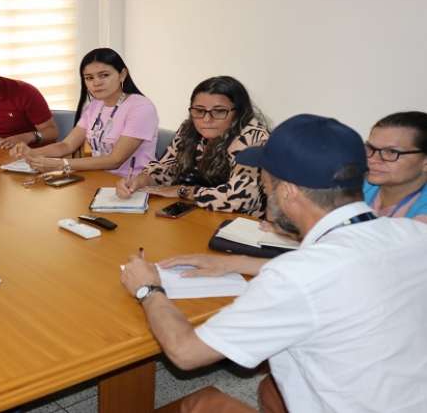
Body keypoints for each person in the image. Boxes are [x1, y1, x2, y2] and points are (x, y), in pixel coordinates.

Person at [121, 114, 427, 412]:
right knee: (272, 390)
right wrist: (235, 263)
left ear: (288, 191)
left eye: (266, 186)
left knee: (198, 403)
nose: (265, 194)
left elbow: (185, 353)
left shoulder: (294, 277)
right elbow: (343, 271)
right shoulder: (415, 233)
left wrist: (148, 289)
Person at [167, 110, 427, 278]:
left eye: (391, 153)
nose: (375, 159)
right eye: (371, 148)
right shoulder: (360, 185)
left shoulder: (419, 223)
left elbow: (351, 265)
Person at [116, 76, 268, 217]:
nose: (206, 119)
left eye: (219, 111)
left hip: (242, 224)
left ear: (238, 113)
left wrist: (183, 191)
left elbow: (240, 199)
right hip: (201, 213)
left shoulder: (253, 138)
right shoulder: (189, 128)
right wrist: (142, 180)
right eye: (199, 110)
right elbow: (167, 167)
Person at [9, 47, 158, 177]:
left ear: (122, 74)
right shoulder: (95, 106)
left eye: (104, 75)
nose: (96, 83)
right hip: (98, 179)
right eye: (89, 78)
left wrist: (62, 164)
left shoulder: (140, 107)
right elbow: (67, 145)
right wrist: (30, 152)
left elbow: (115, 160)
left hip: (133, 185)